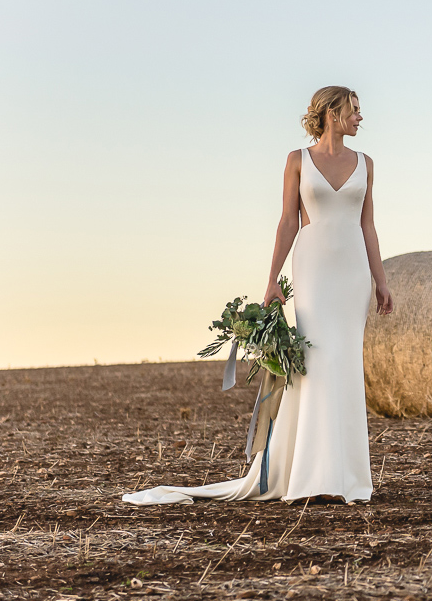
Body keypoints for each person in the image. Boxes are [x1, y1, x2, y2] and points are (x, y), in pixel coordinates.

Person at [123, 86, 393, 505]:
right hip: (314, 270)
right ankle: (311, 474)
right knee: (316, 364)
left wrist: (381, 280)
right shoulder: (297, 161)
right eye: (354, 110)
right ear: (332, 113)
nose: (361, 117)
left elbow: (368, 226)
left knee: (345, 366)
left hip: (353, 274)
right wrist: (271, 280)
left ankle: (348, 477)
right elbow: (287, 221)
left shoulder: (367, 164)